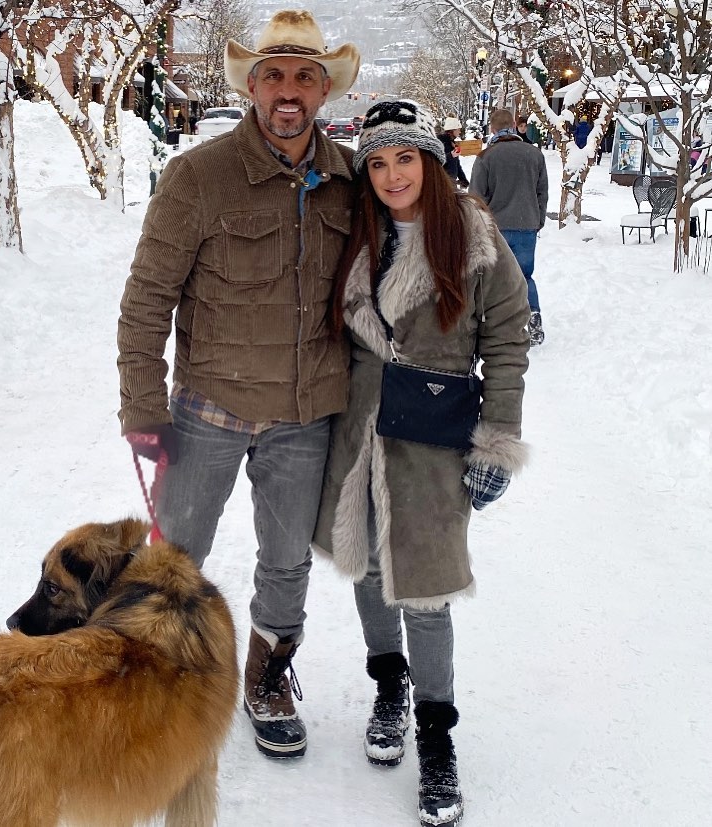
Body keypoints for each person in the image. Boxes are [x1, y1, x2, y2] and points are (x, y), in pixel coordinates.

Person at [117, 10, 360, 759]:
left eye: (305, 76)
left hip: (303, 413)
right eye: (274, 75)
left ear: (324, 90)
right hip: (206, 409)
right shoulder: (199, 175)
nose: (289, 91)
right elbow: (147, 297)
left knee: (285, 558)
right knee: (176, 553)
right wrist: (142, 406)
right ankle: (155, 679)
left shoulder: (351, 179)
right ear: (252, 85)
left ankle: (267, 674)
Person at [314, 100, 530, 827]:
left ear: (430, 162)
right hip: (355, 430)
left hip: (433, 440)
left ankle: (437, 738)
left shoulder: (472, 238)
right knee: (369, 567)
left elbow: (505, 338)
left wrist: (496, 436)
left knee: (426, 590)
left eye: (404, 157)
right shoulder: (355, 234)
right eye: (376, 162)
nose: (391, 174)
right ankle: (388, 684)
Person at [469, 108, 548, 346]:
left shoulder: (486, 157)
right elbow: (542, 192)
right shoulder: (534, 154)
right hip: (527, 226)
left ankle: (497, 325)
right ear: (514, 125)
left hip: (496, 228)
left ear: (492, 128)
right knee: (525, 276)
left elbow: (475, 197)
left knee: (494, 278)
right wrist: (538, 219)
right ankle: (533, 317)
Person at [438, 116, 469, 189]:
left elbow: (456, 164)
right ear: (452, 130)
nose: (460, 132)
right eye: (458, 130)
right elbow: (436, 161)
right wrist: (450, 155)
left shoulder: (452, 143)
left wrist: (463, 179)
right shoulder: (440, 142)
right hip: (441, 184)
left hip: (451, 183)